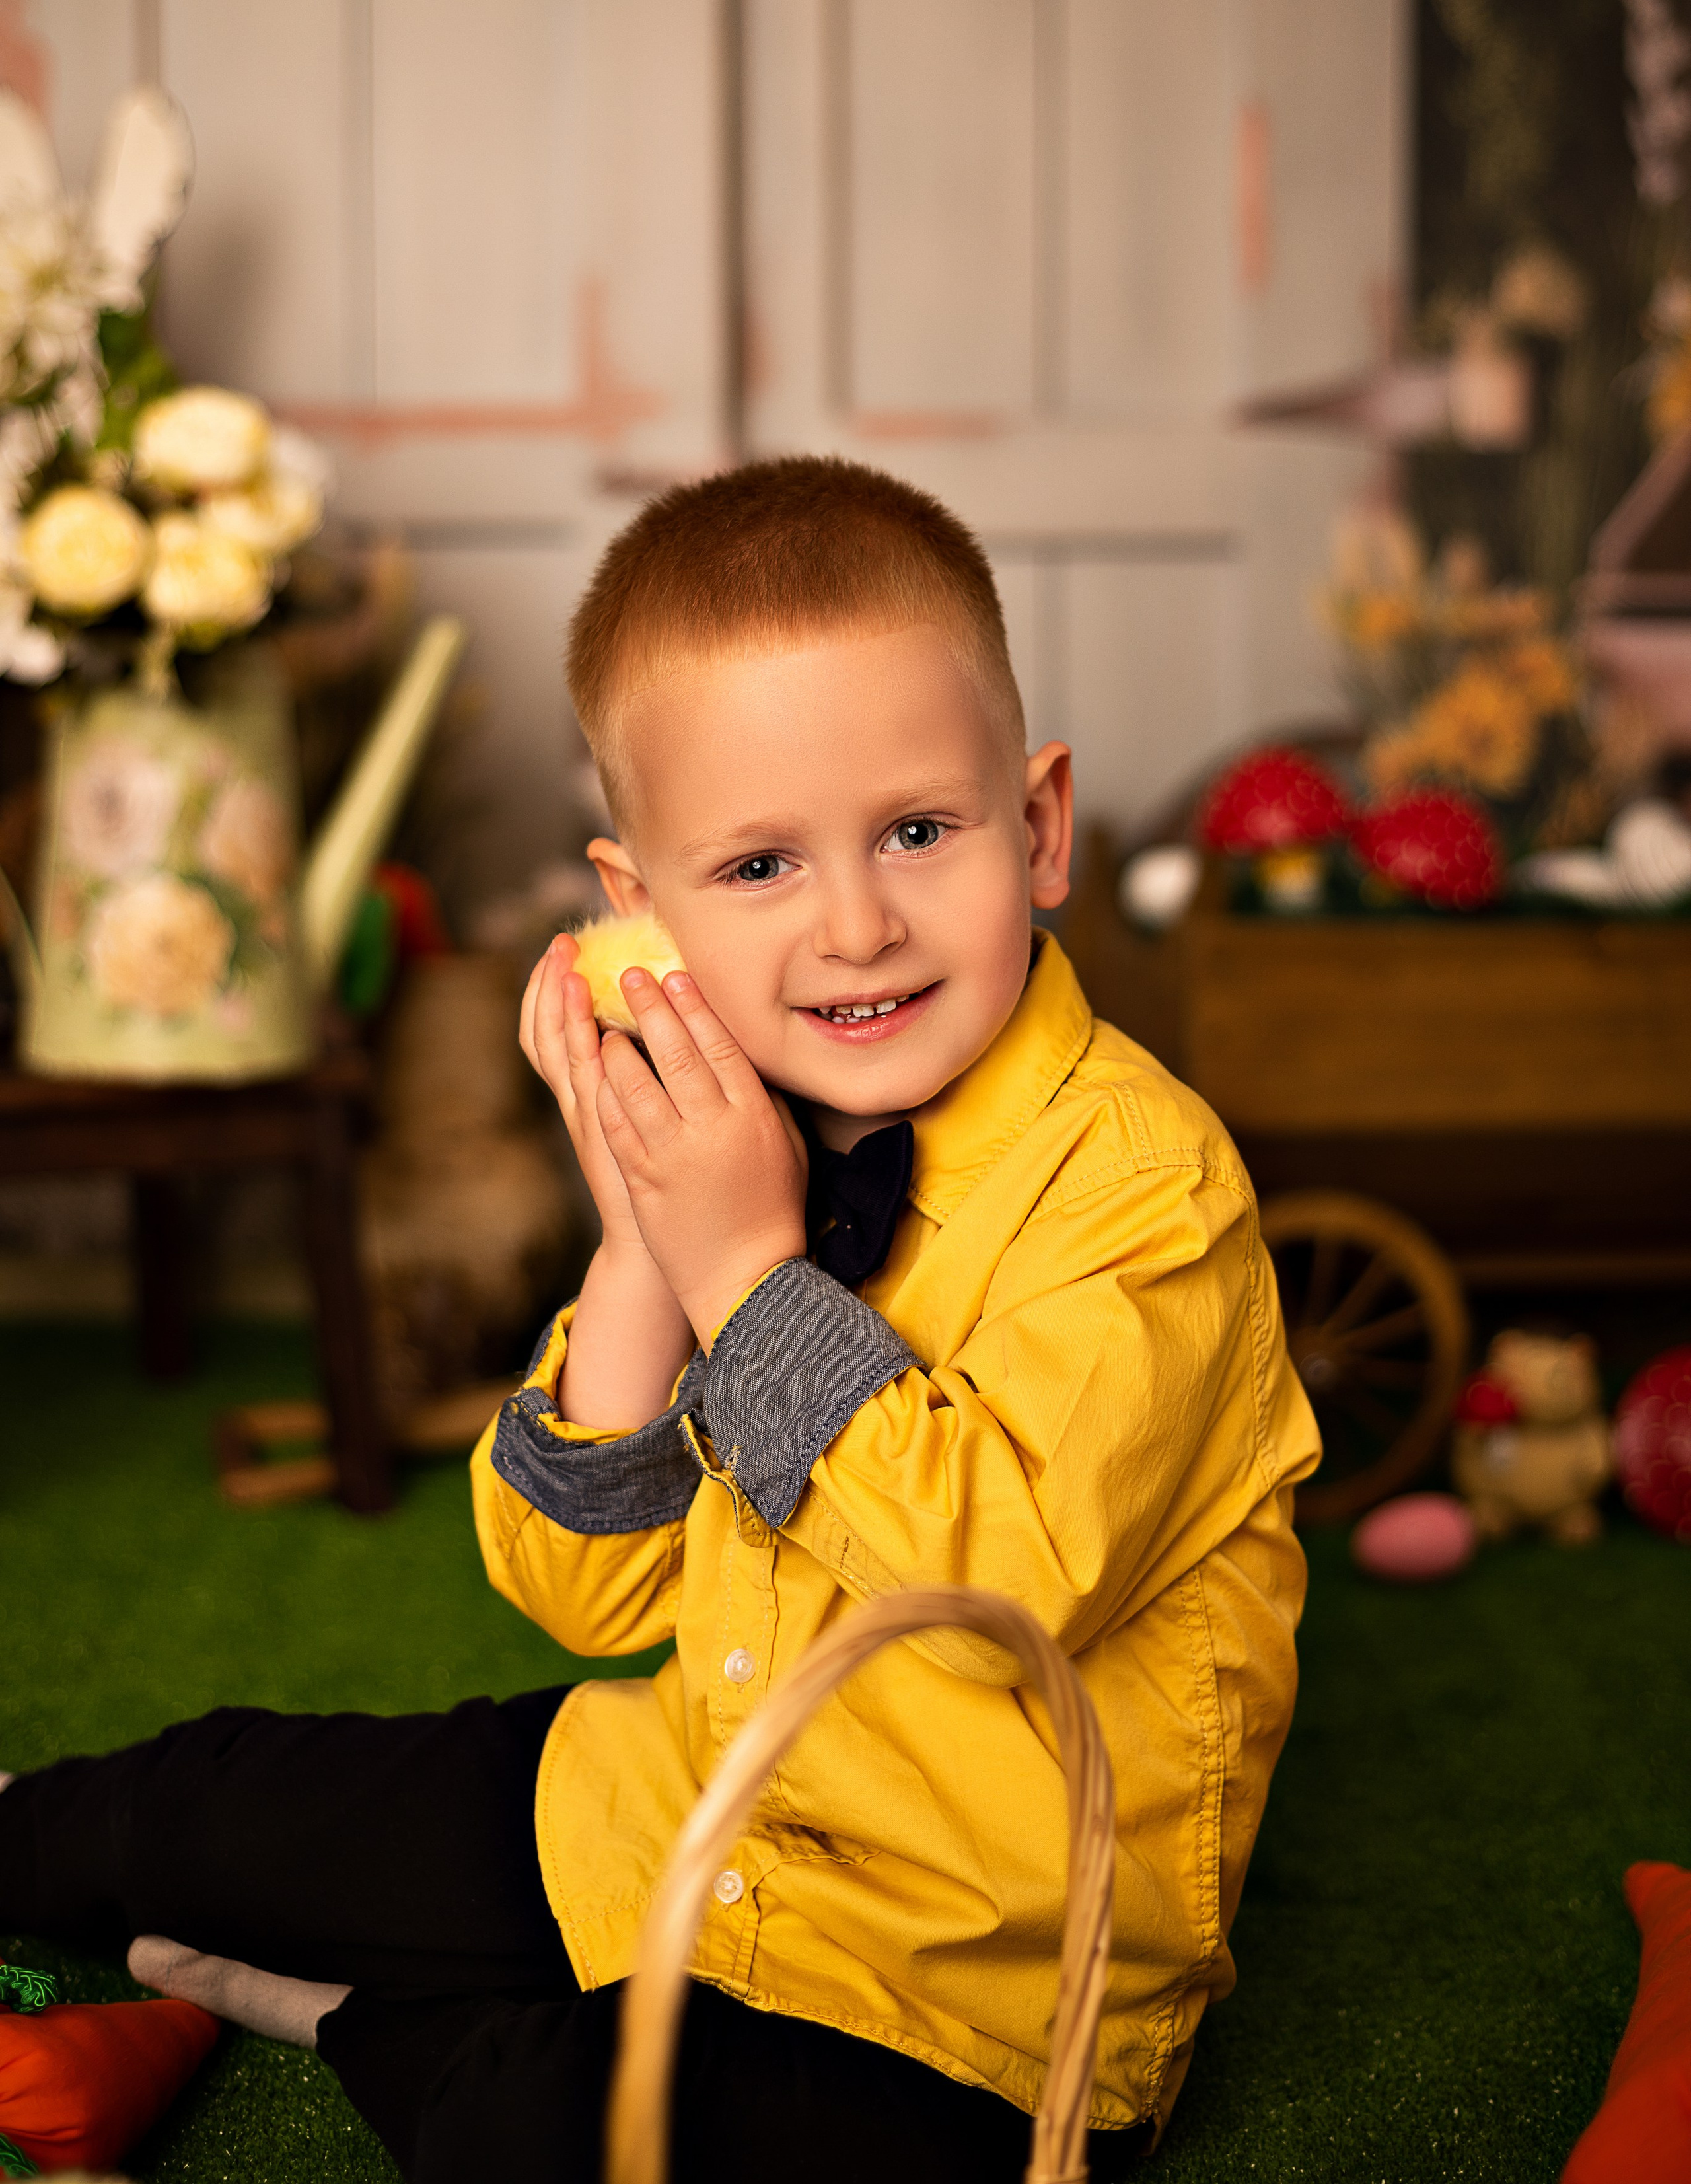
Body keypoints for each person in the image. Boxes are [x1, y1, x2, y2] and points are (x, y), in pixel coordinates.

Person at [0, 459, 1320, 2184]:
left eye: (920, 829)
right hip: (679, 1816)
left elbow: (994, 1581)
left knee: (538, 2126)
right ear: (644, 911)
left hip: (965, 2005)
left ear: (1040, 825)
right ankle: (251, 1936)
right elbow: (582, 1585)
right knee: (210, 1798)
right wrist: (638, 1235)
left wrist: (741, 1278)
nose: (856, 922)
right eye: (760, 861)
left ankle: (347, 2014)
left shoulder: (1147, 1191)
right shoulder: (736, 1144)